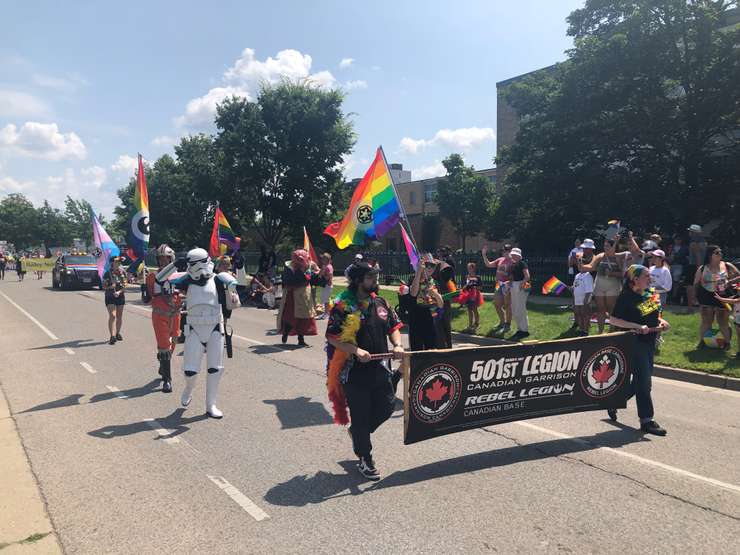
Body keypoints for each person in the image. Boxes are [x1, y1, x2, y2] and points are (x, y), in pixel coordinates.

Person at [325, 262, 404, 480]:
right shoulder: (343, 306)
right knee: (360, 417)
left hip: (381, 369)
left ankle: (358, 433)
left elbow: (394, 327)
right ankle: (365, 457)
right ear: (359, 280)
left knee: (387, 408)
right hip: (355, 373)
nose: (375, 280)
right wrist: (356, 350)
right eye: (370, 277)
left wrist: (397, 345)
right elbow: (332, 336)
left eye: (375, 276)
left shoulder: (381, 302)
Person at [164, 248, 238, 419]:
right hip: (194, 330)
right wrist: (175, 264)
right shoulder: (186, 280)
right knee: (190, 371)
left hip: (214, 329)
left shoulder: (219, 280)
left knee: (215, 369)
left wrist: (232, 296)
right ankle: (189, 389)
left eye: (194, 264)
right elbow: (162, 280)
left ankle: (210, 404)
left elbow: (234, 303)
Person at [608, 264, 670, 436]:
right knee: (644, 381)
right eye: (646, 276)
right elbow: (614, 319)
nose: (650, 279)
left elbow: (653, 315)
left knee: (639, 382)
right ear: (635, 279)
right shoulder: (626, 296)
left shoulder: (649, 294)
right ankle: (647, 420)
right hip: (633, 342)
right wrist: (636, 326)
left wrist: (661, 322)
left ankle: (614, 401)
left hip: (649, 341)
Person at [145, 245, 182, 393]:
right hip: (160, 314)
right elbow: (151, 293)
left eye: (165, 258)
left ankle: (163, 363)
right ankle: (167, 380)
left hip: (176, 313)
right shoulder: (154, 276)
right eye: (160, 258)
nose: (162, 261)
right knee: (164, 345)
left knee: (174, 342)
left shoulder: (180, 275)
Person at [578, 238, 631, 333]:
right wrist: (580, 263)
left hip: (613, 285)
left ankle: (611, 330)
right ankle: (600, 331)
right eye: (605, 246)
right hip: (599, 285)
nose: (605, 248)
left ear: (613, 247)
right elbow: (591, 267)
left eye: (608, 246)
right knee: (600, 309)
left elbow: (623, 274)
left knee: (611, 309)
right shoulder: (600, 256)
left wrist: (612, 274)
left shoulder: (618, 257)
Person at [693, 246, 738, 350]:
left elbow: (739, 276)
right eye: (717, 252)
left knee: (723, 320)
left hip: (723, 296)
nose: (720, 254)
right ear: (710, 255)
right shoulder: (703, 268)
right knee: (706, 320)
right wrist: (695, 297)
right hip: (706, 295)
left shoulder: (727, 265)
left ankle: (727, 343)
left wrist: (730, 282)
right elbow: (696, 283)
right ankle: (703, 342)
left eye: (720, 252)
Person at [401, 256, 444, 350]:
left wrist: (435, 294)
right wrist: (419, 272)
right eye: (427, 265)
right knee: (417, 349)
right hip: (416, 317)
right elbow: (413, 293)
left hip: (430, 317)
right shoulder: (414, 278)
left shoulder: (434, 282)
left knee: (431, 348)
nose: (429, 268)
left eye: (432, 265)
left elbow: (441, 304)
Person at [277, 249, 318, 346]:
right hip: (292, 296)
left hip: (304, 295)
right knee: (290, 317)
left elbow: (312, 280)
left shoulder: (307, 267)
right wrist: (301, 274)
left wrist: (318, 275)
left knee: (303, 318)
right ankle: (286, 332)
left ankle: (301, 339)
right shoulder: (289, 268)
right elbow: (288, 281)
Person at [482, 244, 513, 335]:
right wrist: (484, 254)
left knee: (507, 306)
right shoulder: (500, 260)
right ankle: (502, 322)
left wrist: (509, 282)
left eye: (507, 250)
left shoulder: (513, 262)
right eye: (504, 250)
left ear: (511, 251)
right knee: (496, 304)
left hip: (508, 286)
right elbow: (488, 264)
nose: (505, 252)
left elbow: (515, 275)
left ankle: (508, 325)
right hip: (498, 285)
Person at [432, 248, 456, 348]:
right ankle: (441, 347)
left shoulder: (445, 266)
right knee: (438, 328)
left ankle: (447, 348)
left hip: (444, 303)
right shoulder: (431, 278)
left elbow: (449, 275)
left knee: (445, 326)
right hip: (434, 305)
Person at [102, 256, 127, 345]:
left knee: (119, 316)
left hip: (120, 296)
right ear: (112, 263)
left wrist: (119, 292)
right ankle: (112, 336)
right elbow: (103, 286)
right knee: (113, 315)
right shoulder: (107, 273)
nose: (119, 263)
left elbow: (125, 285)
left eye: (119, 262)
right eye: (117, 262)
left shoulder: (122, 272)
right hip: (110, 296)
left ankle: (117, 333)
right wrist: (110, 287)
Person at [508, 248, 531, 341]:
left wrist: (522, 283)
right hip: (515, 285)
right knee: (515, 308)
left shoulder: (522, 263)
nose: (512, 256)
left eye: (514, 255)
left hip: (521, 285)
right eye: (512, 254)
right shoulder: (513, 265)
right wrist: (510, 282)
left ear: (518, 256)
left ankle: (524, 330)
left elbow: (527, 276)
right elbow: (512, 277)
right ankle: (520, 329)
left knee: (520, 308)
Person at [714, 287, 740, 359]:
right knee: (738, 336)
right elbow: (730, 299)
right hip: (737, 319)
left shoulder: (738, 299)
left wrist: (721, 299)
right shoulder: (737, 296)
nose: (738, 292)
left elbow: (733, 301)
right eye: (738, 290)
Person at [457, 262, 483, 332]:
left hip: (475, 295)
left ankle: (477, 323)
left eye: (470, 268)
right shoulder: (468, 276)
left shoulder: (477, 277)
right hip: (468, 295)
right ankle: (470, 324)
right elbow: (466, 286)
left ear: (474, 268)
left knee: (474, 309)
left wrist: (474, 286)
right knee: (469, 310)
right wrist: (464, 288)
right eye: (468, 268)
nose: (469, 270)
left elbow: (480, 287)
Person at [686, 225, 707, 309]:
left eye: (690, 231)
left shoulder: (694, 243)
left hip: (694, 265)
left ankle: (690, 306)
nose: (689, 233)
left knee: (690, 285)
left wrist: (699, 268)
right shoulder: (704, 242)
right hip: (700, 265)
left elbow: (698, 255)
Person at [572, 264, 594, 336]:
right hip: (577, 298)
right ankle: (581, 329)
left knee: (585, 314)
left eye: (581, 264)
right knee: (579, 314)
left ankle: (585, 330)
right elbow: (576, 286)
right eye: (578, 264)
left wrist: (586, 300)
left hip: (584, 298)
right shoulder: (577, 275)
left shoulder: (587, 275)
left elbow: (589, 289)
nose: (579, 266)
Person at [669, 236, 688, 304]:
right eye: (676, 239)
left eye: (679, 239)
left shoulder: (684, 248)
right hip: (671, 265)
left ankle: (675, 297)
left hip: (679, 265)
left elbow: (686, 257)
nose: (678, 241)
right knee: (670, 281)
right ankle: (669, 297)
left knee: (676, 281)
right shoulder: (671, 247)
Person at [316, 253, 334, 320]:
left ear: (326, 259)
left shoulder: (328, 267)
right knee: (324, 299)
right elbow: (319, 275)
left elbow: (328, 276)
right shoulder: (325, 266)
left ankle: (327, 314)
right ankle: (325, 313)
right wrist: (322, 270)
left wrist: (323, 274)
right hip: (325, 286)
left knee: (326, 300)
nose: (322, 260)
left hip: (327, 285)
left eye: (323, 259)